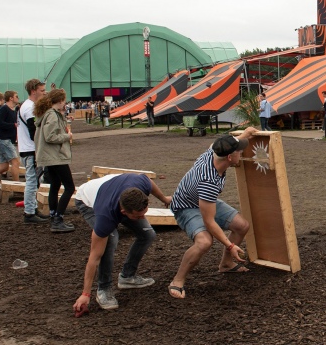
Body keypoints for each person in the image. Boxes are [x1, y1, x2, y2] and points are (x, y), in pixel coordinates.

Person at [168, 129, 258, 299]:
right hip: (186, 206)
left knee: (242, 226)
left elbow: (218, 143)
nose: (242, 152)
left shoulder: (214, 152)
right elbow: (209, 221)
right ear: (230, 158)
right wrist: (230, 246)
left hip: (202, 200)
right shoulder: (209, 181)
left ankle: (226, 264)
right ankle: (177, 280)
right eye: (239, 151)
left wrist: (245, 134)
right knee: (204, 242)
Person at [72, 173, 172, 312]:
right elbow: (94, 257)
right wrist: (85, 294)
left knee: (148, 234)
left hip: (112, 190)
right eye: (138, 216)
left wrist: (164, 199)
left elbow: (149, 181)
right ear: (124, 212)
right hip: (87, 200)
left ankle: (127, 276)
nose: (142, 217)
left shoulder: (140, 184)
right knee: (110, 239)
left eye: (144, 213)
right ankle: (104, 290)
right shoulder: (105, 216)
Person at [35, 88, 76, 232]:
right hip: (55, 157)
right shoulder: (52, 115)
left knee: (55, 185)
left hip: (49, 157)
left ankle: (54, 216)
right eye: (64, 100)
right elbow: (50, 137)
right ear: (60, 101)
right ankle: (58, 218)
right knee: (69, 187)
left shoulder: (47, 114)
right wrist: (67, 136)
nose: (65, 103)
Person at [17, 79, 49, 224]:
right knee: (31, 180)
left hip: (28, 148)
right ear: (33, 90)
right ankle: (29, 213)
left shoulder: (27, 106)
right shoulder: (29, 108)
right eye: (42, 90)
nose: (44, 93)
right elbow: (33, 132)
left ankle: (33, 208)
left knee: (35, 180)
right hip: (30, 149)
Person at [0, 90, 21, 182]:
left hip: (4, 140)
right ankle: (17, 187)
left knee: (4, 167)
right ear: (11, 98)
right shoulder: (4, 108)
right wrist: (13, 125)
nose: (18, 98)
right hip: (3, 140)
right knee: (16, 162)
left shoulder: (13, 110)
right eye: (16, 96)